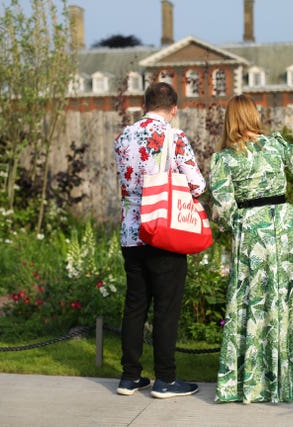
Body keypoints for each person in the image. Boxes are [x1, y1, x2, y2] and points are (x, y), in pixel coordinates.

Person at [209, 94, 293, 404]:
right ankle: (291, 378)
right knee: (286, 298)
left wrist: (241, 227)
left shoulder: (223, 159)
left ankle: (253, 381)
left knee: (253, 300)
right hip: (284, 226)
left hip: (252, 231)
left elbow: (222, 205)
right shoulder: (274, 145)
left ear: (230, 118)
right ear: (253, 115)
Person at [112, 82, 206, 399]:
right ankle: (165, 379)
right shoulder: (173, 136)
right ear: (174, 108)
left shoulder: (123, 136)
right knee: (166, 308)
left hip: (130, 230)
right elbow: (196, 183)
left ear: (145, 105)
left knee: (135, 305)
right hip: (164, 231)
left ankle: (130, 377)